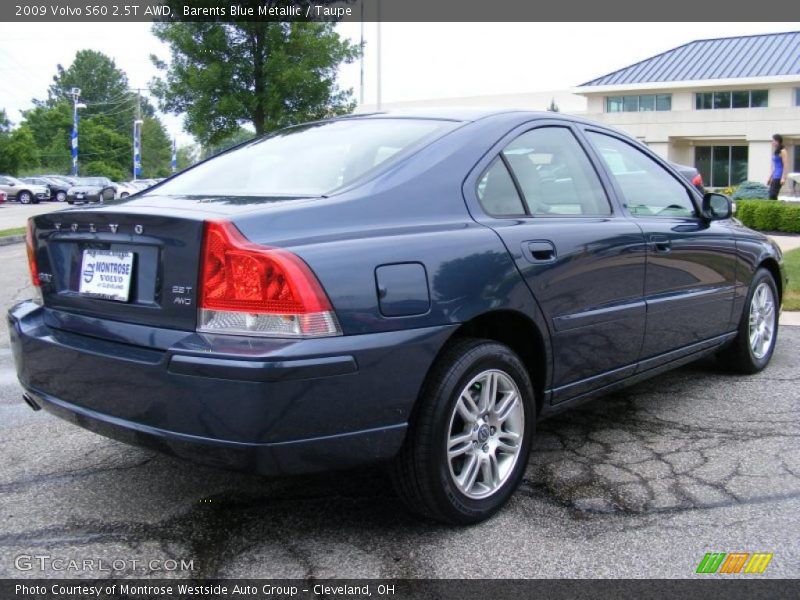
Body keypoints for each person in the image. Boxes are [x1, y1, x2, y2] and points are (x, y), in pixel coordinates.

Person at [767, 133, 789, 200]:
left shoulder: (783, 151)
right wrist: (770, 177)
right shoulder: (776, 152)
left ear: (777, 141)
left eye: (773, 140)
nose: (772, 142)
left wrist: (783, 178)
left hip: (779, 176)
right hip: (774, 176)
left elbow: (785, 165)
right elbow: (774, 166)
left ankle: (776, 208)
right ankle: (775, 208)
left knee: (773, 195)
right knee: (771, 194)